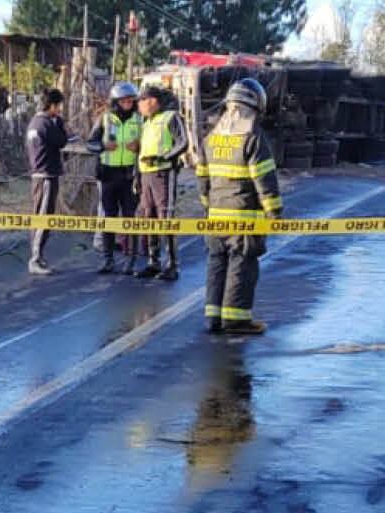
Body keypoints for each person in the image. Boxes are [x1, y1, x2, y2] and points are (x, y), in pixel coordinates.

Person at [188, 78, 282, 335]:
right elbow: (264, 178)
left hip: (216, 217)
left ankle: (213, 316)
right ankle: (236, 319)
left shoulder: (211, 139)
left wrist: (208, 207)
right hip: (245, 216)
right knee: (242, 264)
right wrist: (274, 212)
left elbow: (202, 179)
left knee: (216, 263)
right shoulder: (252, 138)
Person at [86, 82, 144, 274]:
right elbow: (90, 143)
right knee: (108, 218)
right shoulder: (105, 119)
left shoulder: (139, 120)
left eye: (131, 100)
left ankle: (130, 259)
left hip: (129, 175)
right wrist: (103, 147)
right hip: (108, 175)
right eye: (124, 100)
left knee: (129, 218)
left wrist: (139, 146)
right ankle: (108, 258)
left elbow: (149, 144)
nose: (128, 103)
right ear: (116, 101)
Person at [135, 86, 189, 281]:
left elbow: (183, 143)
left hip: (164, 174)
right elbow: (141, 150)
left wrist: (163, 158)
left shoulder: (171, 117)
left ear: (151, 101)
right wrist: (136, 177)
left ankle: (173, 265)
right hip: (146, 175)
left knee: (166, 218)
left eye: (140, 102)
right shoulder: (147, 122)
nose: (138, 107)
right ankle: (153, 262)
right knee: (149, 218)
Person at [25, 88, 69, 275]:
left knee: (41, 215)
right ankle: (35, 258)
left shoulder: (34, 123)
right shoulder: (46, 124)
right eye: (59, 106)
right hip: (46, 175)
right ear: (52, 105)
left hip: (39, 174)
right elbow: (62, 141)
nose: (60, 110)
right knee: (43, 216)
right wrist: (60, 124)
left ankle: (38, 256)